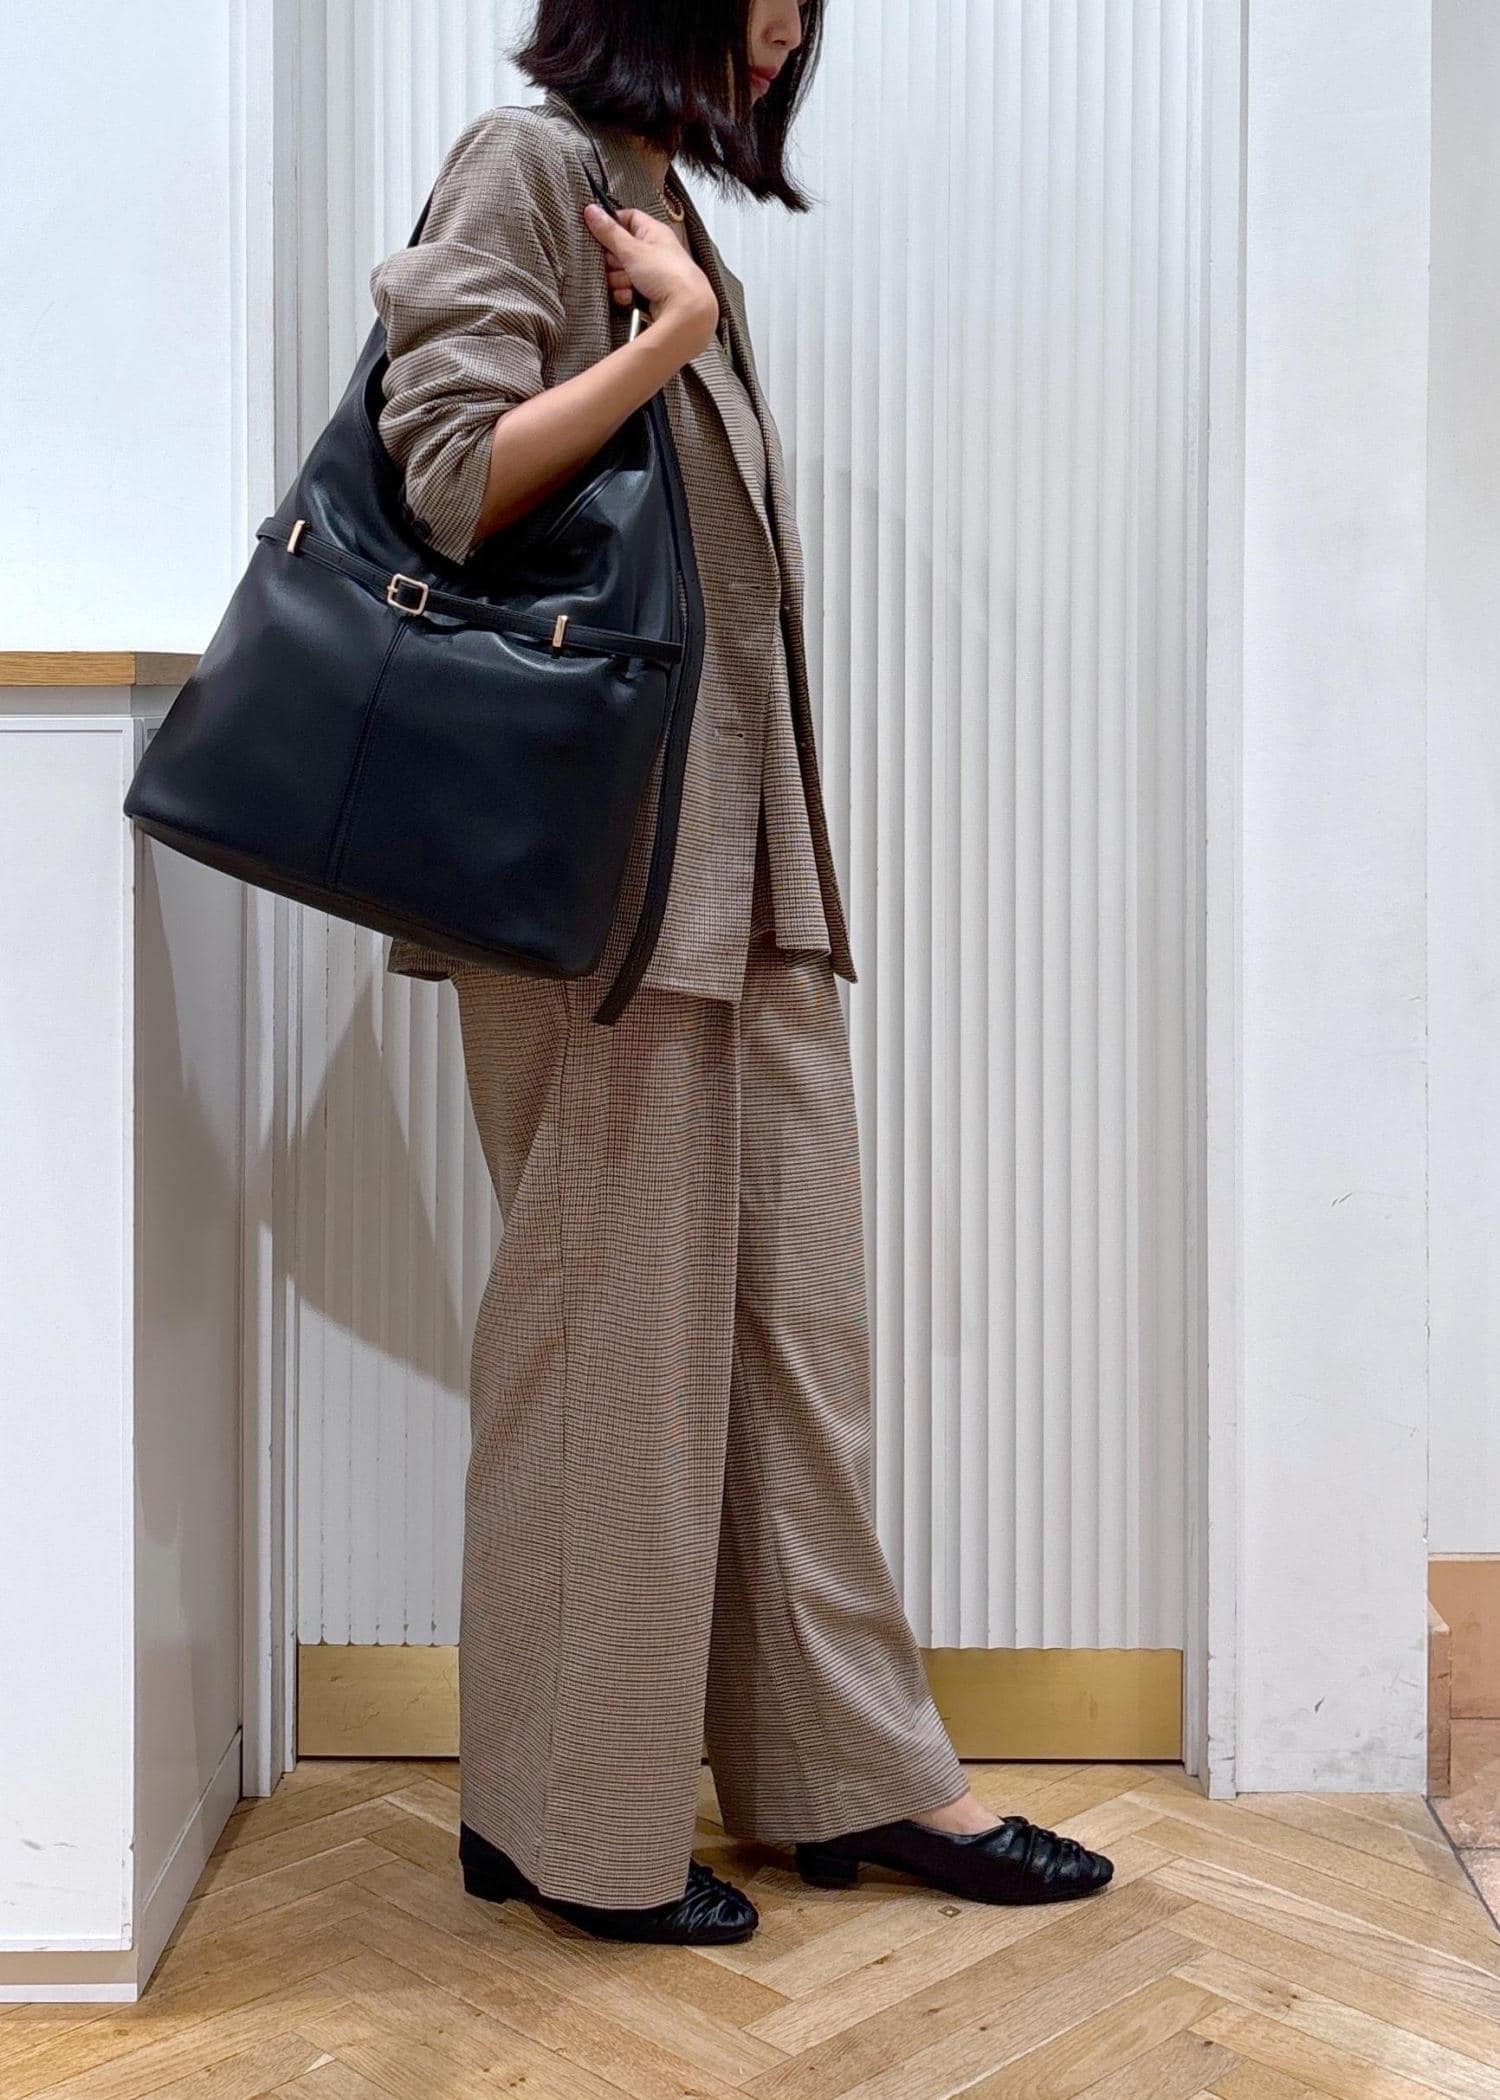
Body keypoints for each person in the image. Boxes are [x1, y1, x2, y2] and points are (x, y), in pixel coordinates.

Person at [367, 0, 1114, 1946]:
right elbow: (451, 476)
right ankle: (564, 1819)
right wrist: (672, 338)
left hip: (741, 883)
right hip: (602, 897)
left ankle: (854, 1776)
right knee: (608, 1357)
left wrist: (684, 304)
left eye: (798, 19)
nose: (780, 42)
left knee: (793, 1348)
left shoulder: (655, 200)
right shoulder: (528, 170)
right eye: (756, 6)